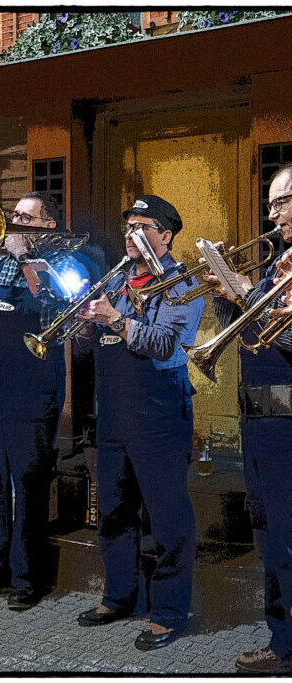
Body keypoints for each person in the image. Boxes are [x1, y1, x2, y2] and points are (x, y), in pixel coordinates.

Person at [75, 195, 204, 650]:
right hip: (113, 408)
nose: (131, 234)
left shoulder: (182, 281)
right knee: (113, 510)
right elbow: (92, 343)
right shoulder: (118, 278)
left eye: (142, 226)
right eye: (128, 225)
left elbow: (167, 345)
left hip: (159, 410)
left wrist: (114, 318)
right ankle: (119, 596)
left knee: (168, 517)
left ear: (165, 235)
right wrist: (87, 322)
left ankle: (168, 612)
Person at [0, 191, 88, 611]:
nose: (14, 223)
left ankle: (28, 578)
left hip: (35, 382)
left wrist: (25, 257)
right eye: (15, 216)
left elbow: (60, 301)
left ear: (47, 225)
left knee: (29, 480)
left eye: (26, 218)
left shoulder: (66, 263)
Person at [204, 164, 292, 673]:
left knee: (287, 538)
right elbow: (251, 335)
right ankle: (282, 639)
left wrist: (244, 290)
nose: (272, 213)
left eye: (282, 201)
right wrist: (224, 295)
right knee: (268, 536)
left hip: (287, 423)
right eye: (272, 202)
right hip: (259, 419)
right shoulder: (279, 263)